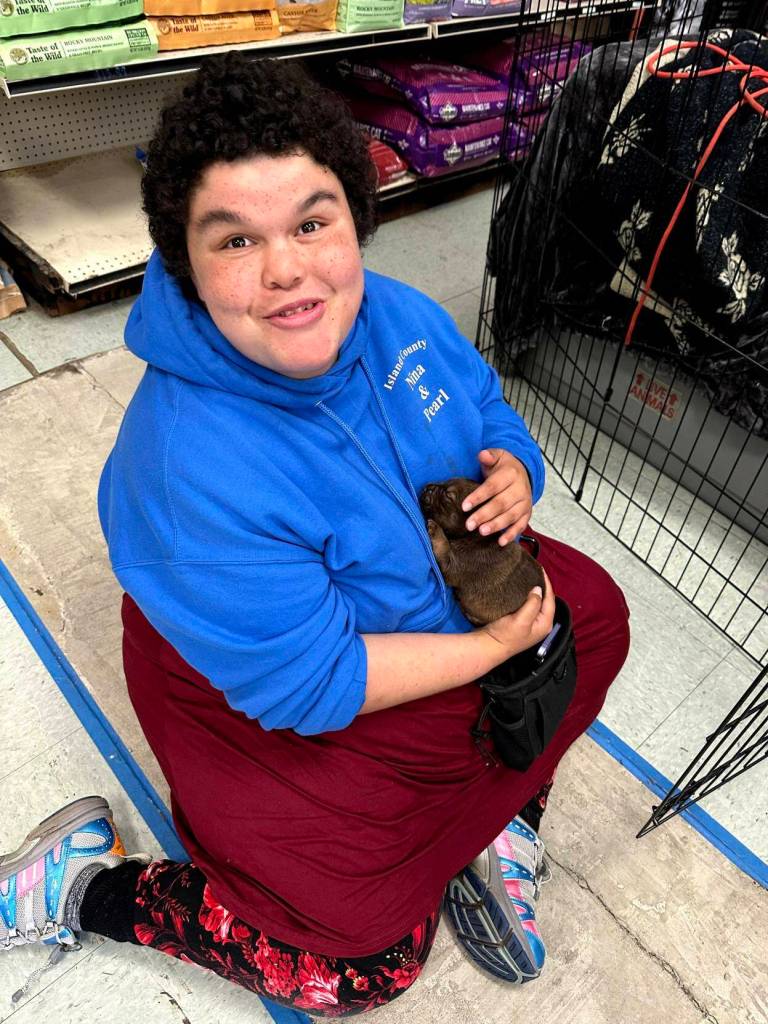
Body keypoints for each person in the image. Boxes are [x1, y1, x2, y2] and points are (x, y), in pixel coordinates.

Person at [0, 53, 630, 1016]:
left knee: (600, 622)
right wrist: (497, 646)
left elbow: (486, 409)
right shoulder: (186, 472)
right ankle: (87, 890)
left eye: (310, 221)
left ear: (356, 220)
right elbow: (317, 684)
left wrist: (514, 472)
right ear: (184, 261)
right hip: (270, 674)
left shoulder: (399, 314)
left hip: (426, 613)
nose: (288, 268)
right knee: (351, 966)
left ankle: (487, 821)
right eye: (235, 241)